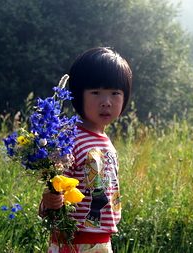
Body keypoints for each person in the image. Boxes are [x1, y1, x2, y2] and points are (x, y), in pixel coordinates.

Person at [40, 47, 132, 253]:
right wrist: (50, 200)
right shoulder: (71, 139)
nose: (106, 102)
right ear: (77, 95)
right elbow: (53, 187)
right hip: (74, 241)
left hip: (101, 239)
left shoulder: (104, 140)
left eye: (115, 93)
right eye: (96, 92)